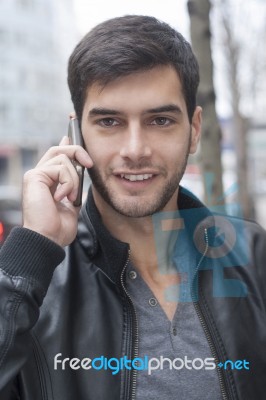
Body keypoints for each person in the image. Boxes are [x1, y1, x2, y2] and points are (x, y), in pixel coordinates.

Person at [0, 15, 265, 400]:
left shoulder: (254, 258)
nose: (135, 150)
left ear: (193, 129)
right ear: (77, 135)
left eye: (160, 120)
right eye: (109, 121)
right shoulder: (36, 286)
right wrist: (31, 252)